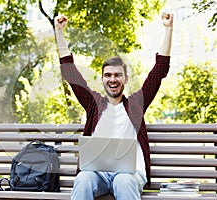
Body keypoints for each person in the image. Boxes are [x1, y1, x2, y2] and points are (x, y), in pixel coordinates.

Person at [55, 12, 173, 200]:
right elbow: (70, 72)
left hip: (129, 175)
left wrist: (168, 29)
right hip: (98, 174)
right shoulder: (94, 104)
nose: (113, 79)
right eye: (108, 75)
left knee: (123, 181)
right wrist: (59, 32)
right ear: (102, 79)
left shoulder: (136, 104)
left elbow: (159, 70)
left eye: (117, 75)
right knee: (84, 178)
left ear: (125, 79)